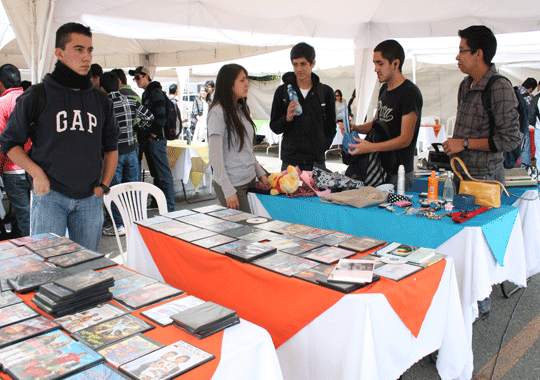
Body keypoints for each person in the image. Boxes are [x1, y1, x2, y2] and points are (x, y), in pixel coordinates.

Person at [0, 22, 119, 251]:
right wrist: (37, 173)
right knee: (47, 265)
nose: (87, 57)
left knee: (85, 268)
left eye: (90, 50)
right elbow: (9, 143)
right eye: (79, 49)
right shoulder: (37, 94)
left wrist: (103, 187)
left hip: (89, 198)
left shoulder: (101, 100)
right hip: (50, 196)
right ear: (59, 53)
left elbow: (111, 146)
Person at [442, 25, 521, 321]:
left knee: (483, 243)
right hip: (461, 179)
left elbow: (511, 139)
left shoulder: (499, 87)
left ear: (479, 54)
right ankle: (469, 294)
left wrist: (464, 143)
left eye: (462, 50)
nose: (457, 57)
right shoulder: (466, 85)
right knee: (464, 236)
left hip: (487, 184)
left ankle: (480, 300)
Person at [344, 39, 423, 190]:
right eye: (374, 64)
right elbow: (377, 123)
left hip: (399, 173)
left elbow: (406, 139)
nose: (375, 69)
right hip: (380, 169)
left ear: (395, 63)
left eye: (380, 63)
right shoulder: (384, 90)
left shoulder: (409, 92)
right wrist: (356, 127)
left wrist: (371, 147)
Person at [207, 63, 269, 212]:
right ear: (229, 84)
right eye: (242, 80)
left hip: (250, 182)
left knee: (254, 230)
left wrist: (261, 173)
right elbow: (215, 157)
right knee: (244, 232)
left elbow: (247, 149)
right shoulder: (218, 113)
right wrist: (228, 190)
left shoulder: (241, 110)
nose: (247, 84)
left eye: (246, 79)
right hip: (233, 186)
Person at [100, 71, 154, 236]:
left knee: (114, 189)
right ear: (118, 83)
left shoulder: (102, 105)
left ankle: (119, 225)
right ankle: (135, 221)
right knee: (133, 189)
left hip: (113, 153)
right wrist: (136, 129)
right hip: (131, 150)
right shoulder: (130, 101)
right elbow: (149, 118)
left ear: (102, 87)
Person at [270, 42, 336, 171]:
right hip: (290, 163)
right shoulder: (282, 92)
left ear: (313, 63)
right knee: (288, 192)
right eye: (295, 64)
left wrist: (323, 146)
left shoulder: (326, 92)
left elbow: (331, 126)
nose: (299, 69)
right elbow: (274, 126)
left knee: (319, 192)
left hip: (317, 163)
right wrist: (287, 118)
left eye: (303, 64)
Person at [129, 66, 175, 212]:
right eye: (134, 78)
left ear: (147, 76)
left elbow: (161, 117)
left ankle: (169, 205)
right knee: (156, 173)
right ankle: (158, 203)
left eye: (138, 77)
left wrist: (154, 134)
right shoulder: (147, 94)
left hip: (156, 140)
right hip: (150, 139)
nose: (136, 80)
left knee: (163, 173)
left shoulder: (156, 94)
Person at [0, 64, 31, 237]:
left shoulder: (2, 104)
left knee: (24, 217)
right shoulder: (32, 99)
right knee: (39, 214)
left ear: (1, 84)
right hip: (36, 167)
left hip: (12, 170)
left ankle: (34, 256)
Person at [518, 77, 538, 167]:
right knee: (525, 147)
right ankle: (525, 167)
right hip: (522, 125)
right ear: (532, 88)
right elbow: (531, 113)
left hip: (511, 125)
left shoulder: (514, 89)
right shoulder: (528, 97)